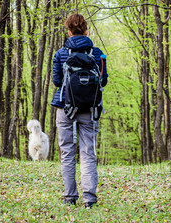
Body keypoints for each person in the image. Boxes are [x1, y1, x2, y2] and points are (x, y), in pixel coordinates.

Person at [51, 13, 108, 208]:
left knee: (67, 152)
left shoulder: (60, 53)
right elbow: (103, 80)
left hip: (64, 106)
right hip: (90, 108)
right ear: (86, 30)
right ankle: (90, 199)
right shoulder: (98, 53)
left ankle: (69, 197)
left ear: (68, 31)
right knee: (88, 153)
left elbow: (57, 81)